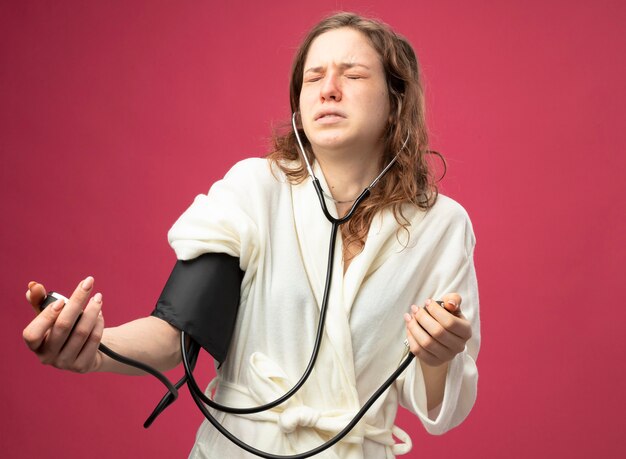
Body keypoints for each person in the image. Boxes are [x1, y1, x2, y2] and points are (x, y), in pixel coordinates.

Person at [23, 12, 480, 459]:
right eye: (313, 77)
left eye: (353, 74)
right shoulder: (253, 190)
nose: (328, 89)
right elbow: (174, 334)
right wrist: (94, 347)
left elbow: (444, 402)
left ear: (396, 99)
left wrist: (437, 355)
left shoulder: (441, 225)